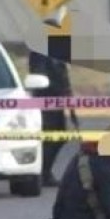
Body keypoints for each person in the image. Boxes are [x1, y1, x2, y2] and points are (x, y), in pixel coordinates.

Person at [28, 51, 77, 187]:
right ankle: (41, 172)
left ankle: (44, 171)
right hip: (46, 101)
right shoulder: (40, 51)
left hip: (58, 100)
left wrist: (67, 96)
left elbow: (63, 76)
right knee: (50, 137)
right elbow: (40, 76)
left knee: (60, 136)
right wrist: (61, 91)